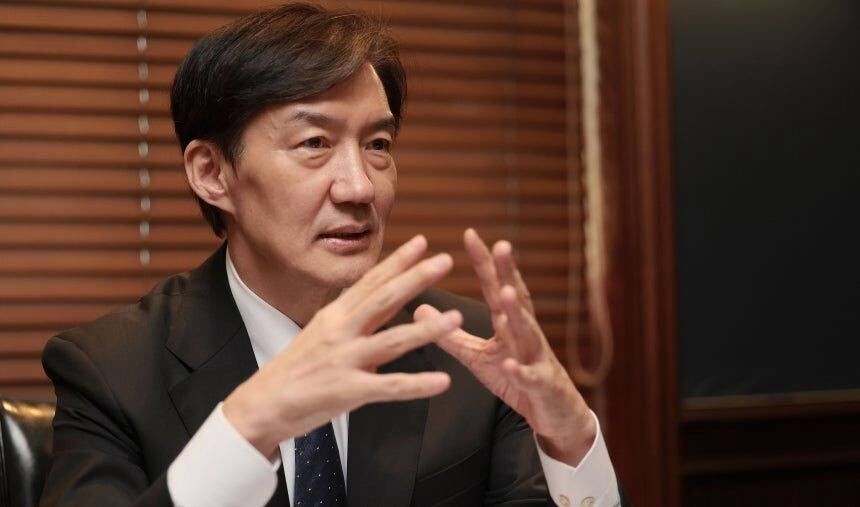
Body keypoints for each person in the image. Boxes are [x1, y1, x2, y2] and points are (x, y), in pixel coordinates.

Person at [40, 3, 625, 506]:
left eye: (378, 144)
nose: (360, 187)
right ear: (212, 173)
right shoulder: (112, 369)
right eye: (314, 143)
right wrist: (250, 424)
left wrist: (570, 437)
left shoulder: (467, 352)